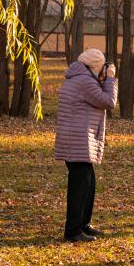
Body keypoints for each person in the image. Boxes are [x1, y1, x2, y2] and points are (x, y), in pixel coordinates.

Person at [54, 48, 117, 243]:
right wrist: (110, 79)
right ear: (95, 66)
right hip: (78, 140)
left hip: (76, 139)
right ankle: (73, 231)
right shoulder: (85, 82)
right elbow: (108, 101)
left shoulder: (77, 78)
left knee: (87, 183)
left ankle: (83, 225)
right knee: (79, 186)